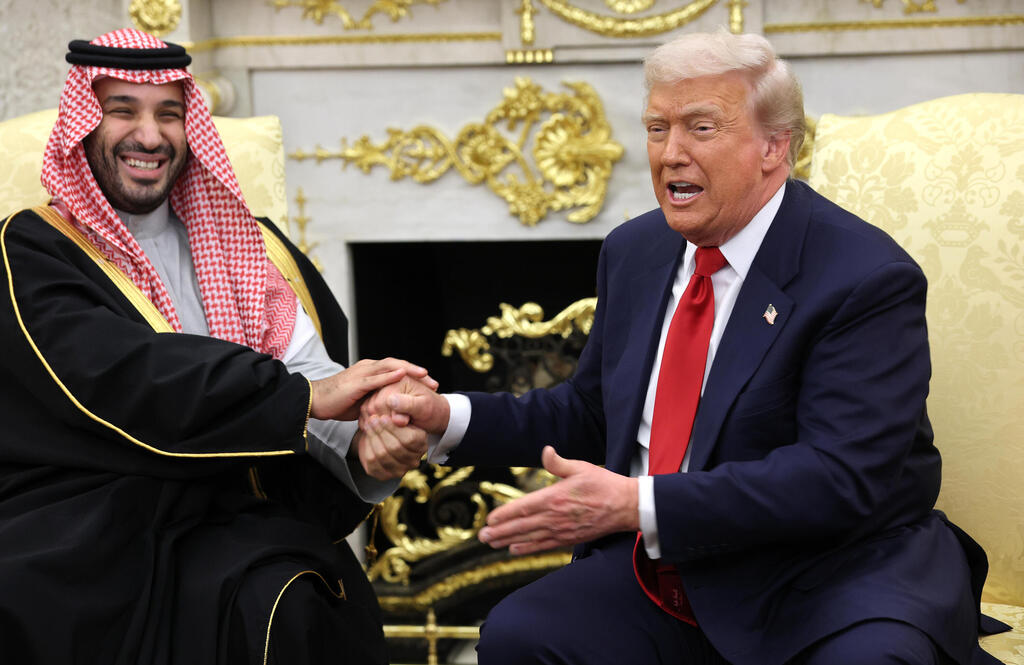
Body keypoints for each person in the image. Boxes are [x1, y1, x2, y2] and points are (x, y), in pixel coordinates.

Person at [360, 31, 1004, 664]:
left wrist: (636, 503)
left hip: (831, 573)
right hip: (679, 569)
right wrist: (446, 416)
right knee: (520, 635)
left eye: (701, 128)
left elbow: (839, 478)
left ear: (774, 146)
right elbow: (591, 413)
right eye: (657, 128)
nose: (670, 154)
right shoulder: (635, 251)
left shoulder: (864, 277)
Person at [0, 29, 431, 664]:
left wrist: (371, 442)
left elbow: (310, 374)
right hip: (87, 516)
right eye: (123, 110)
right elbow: (125, 375)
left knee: (290, 597)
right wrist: (304, 398)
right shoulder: (32, 248)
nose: (150, 136)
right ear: (83, 124)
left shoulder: (250, 245)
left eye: (169, 114)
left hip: (229, 513)